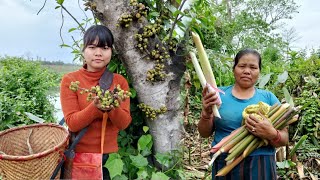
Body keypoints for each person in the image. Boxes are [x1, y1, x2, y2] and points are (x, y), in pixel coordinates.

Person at [198, 49, 288, 179]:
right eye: (242, 66)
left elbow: (284, 138)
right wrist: (206, 112)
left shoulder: (269, 98)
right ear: (234, 68)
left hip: (261, 163)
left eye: (253, 67)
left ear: (259, 72)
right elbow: (204, 133)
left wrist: (272, 133)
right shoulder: (218, 95)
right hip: (225, 160)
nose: (247, 71)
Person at [60, 25, 132, 179]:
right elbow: (72, 122)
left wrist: (112, 107)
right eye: (92, 47)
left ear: (111, 51)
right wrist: (95, 107)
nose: (98, 53)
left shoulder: (119, 82)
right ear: (84, 50)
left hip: (109, 158)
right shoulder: (71, 80)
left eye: (105, 48)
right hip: (80, 157)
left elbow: (123, 123)